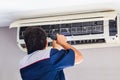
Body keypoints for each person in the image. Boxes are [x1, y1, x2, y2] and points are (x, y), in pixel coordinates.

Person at [19, 27, 83, 80]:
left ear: (26, 46)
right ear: (46, 43)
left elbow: (48, 69)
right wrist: (63, 43)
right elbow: (79, 57)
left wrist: (55, 50)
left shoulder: (22, 64)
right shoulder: (49, 58)